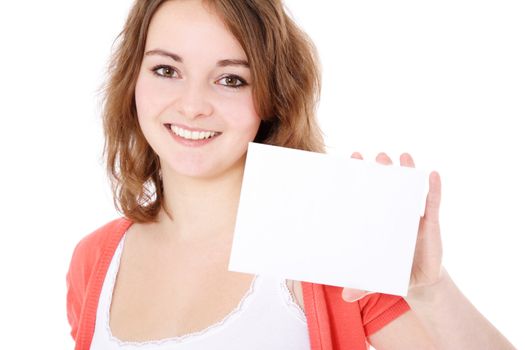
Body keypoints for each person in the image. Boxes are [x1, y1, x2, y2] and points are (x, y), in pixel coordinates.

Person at [66, 0, 516, 349]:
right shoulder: (95, 262)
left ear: (272, 98)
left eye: (231, 79)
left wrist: (431, 290)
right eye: (166, 69)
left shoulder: (331, 240)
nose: (192, 104)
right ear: (134, 82)